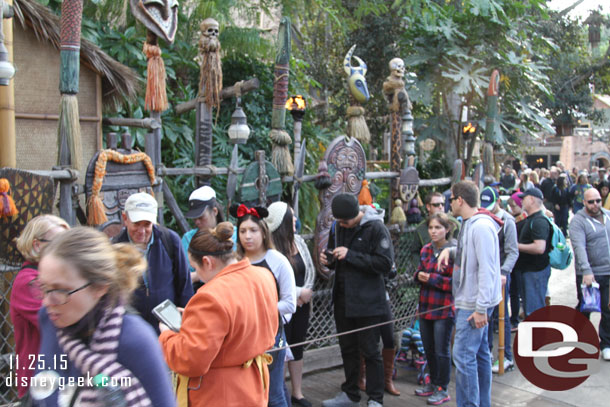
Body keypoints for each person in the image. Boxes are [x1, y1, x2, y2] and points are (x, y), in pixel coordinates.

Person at [34, 227, 175, 406]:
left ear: (100, 287)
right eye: (43, 288)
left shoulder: (135, 339)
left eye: (60, 290)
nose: (47, 301)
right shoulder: (49, 320)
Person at [159, 222, 279, 406]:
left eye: (195, 268)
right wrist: (194, 319)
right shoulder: (264, 276)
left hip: (220, 393)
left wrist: (166, 335)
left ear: (207, 262)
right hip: (254, 382)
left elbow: (190, 359)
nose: (196, 273)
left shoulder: (210, 296)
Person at [320, 193, 393, 407]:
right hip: (343, 299)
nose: (343, 225)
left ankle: (375, 398)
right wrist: (330, 259)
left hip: (369, 301)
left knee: (371, 351)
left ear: (357, 214)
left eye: (347, 221)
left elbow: (385, 263)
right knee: (348, 349)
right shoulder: (338, 226)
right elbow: (337, 258)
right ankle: (350, 394)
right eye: (340, 221)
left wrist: (350, 254)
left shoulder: (376, 228)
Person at [438, 181, 502, 407]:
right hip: (473, 300)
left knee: (463, 357)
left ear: (460, 200)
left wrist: (481, 308)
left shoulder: (481, 226)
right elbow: (470, 254)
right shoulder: (471, 223)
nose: (450, 204)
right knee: (480, 354)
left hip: (474, 303)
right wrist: (450, 250)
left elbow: (488, 269)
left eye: (451, 199)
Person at [232, 204, 297, 407]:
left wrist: (258, 308)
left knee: (273, 393)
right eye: (243, 231)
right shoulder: (235, 262)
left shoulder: (277, 261)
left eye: (253, 230)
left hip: (271, 335)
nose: (247, 236)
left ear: (263, 232)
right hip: (241, 336)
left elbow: (290, 304)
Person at [114, 192, 193, 331]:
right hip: (132, 329)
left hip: (168, 326)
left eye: (147, 224)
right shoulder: (115, 249)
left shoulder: (170, 240)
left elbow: (184, 284)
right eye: (136, 224)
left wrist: (187, 322)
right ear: (125, 219)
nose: (142, 231)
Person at [9, 215, 69, 400]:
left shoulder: (52, 278)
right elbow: (63, 322)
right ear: (37, 245)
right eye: (59, 243)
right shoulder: (28, 282)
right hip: (39, 382)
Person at [265, 202, 315, 407]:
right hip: (282, 309)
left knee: (298, 347)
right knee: (282, 350)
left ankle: (298, 392)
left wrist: (306, 293)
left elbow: (309, 268)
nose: (295, 220)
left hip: (302, 305)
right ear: (282, 222)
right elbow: (274, 282)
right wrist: (297, 294)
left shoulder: (300, 242)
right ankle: (281, 389)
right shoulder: (271, 250)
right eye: (291, 217)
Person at [413, 213, 455, 406]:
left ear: (446, 229)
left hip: (444, 308)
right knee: (428, 348)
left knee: (441, 349)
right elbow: (420, 271)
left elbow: (456, 283)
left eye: (438, 228)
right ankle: (431, 382)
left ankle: (442, 387)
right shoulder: (425, 249)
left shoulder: (454, 251)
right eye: (431, 228)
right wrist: (418, 275)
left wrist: (432, 279)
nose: (434, 231)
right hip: (426, 305)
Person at [480, 187, 519, 373]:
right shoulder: (481, 218)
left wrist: (504, 272)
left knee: (501, 315)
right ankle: (485, 353)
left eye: (490, 205)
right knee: (486, 314)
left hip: (501, 274)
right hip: (484, 274)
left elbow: (513, 251)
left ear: (498, 202)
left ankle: (507, 357)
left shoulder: (508, 221)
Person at [568, 188, 610, 361]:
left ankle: (606, 344)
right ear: (584, 202)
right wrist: (586, 271)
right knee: (586, 307)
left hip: (607, 271)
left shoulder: (607, 216)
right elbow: (579, 247)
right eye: (591, 202)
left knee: (607, 309)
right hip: (589, 273)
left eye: (598, 200)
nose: (595, 205)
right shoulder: (578, 221)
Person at [181, 186, 235, 290]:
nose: (197, 222)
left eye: (201, 217)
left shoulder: (233, 234)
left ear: (214, 211)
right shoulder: (188, 238)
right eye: (194, 218)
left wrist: (197, 275)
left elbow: (232, 267)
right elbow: (186, 273)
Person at [516, 187, 552, 317]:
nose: (521, 202)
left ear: (531, 200)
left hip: (535, 272)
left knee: (534, 312)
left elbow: (539, 248)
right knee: (531, 311)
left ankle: (538, 337)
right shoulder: (533, 219)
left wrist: (516, 246)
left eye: (523, 199)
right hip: (531, 272)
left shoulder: (539, 221)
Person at [506, 193, 527, 329]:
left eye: (514, 206)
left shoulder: (524, 221)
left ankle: (516, 319)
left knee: (519, 292)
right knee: (513, 292)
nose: (512, 209)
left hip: (521, 263)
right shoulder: (513, 219)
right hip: (513, 264)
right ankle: (514, 317)